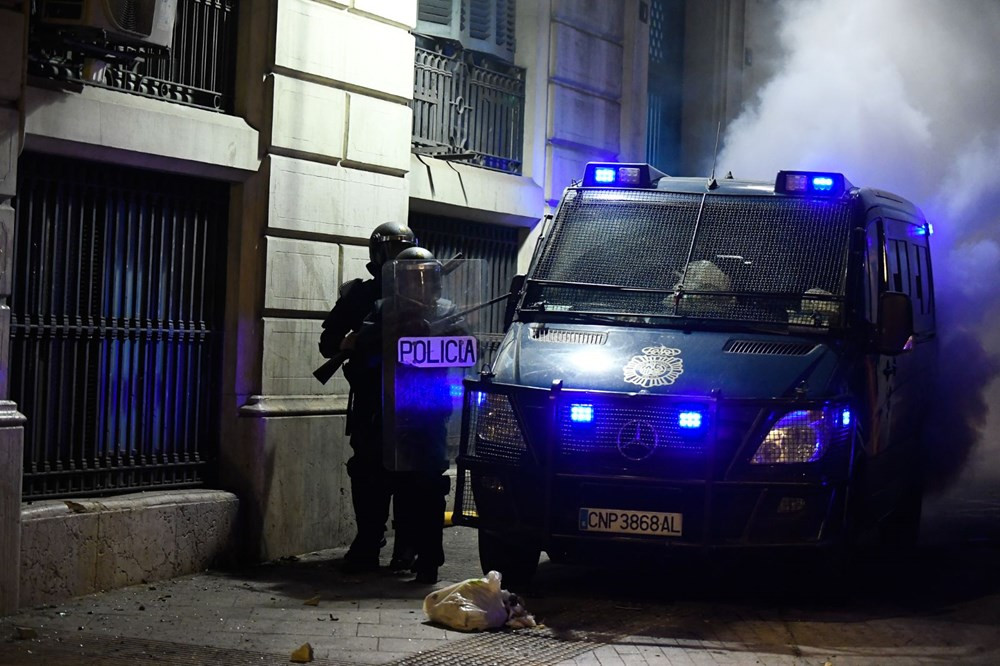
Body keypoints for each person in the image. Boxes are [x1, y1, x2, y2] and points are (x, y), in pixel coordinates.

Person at [354, 247, 462, 584]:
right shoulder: (384, 309)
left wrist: (436, 332)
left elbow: (465, 348)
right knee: (375, 477)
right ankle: (371, 544)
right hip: (390, 409)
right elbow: (363, 352)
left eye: (424, 278)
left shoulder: (447, 311)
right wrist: (392, 330)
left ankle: (428, 555)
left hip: (429, 409)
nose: (418, 285)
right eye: (410, 278)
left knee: (429, 485)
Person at [318, 221, 417, 573]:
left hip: (416, 399)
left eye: (402, 249)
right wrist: (350, 341)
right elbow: (328, 342)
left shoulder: (427, 293)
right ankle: (369, 539)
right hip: (372, 397)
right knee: (368, 472)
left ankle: (408, 546)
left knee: (413, 476)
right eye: (391, 250)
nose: (396, 258)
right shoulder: (361, 295)